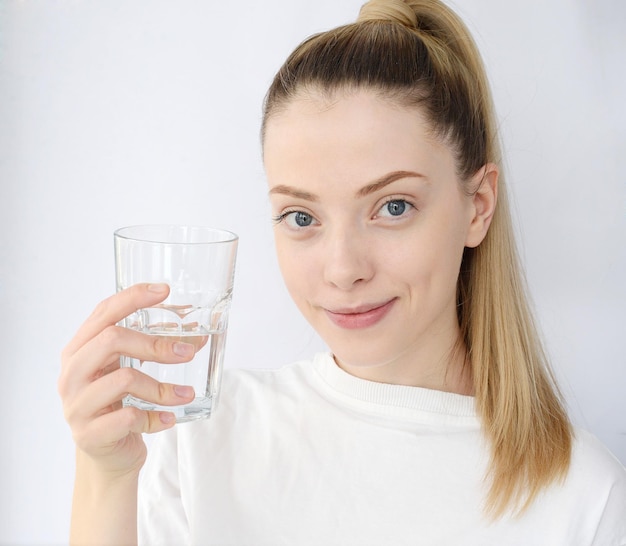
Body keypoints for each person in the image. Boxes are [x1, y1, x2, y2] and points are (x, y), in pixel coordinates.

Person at [58, 0, 626, 544]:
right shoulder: (202, 438)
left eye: (393, 207)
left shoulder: (583, 497)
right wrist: (105, 473)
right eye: (301, 216)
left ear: (477, 206)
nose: (343, 268)